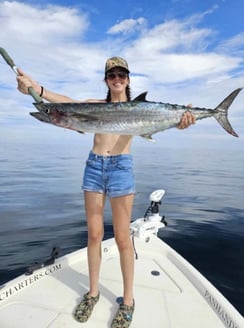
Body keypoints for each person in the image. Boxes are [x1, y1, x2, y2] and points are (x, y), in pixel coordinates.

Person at [16, 57, 195, 327]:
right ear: (106, 80)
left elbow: (168, 117)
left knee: (123, 238)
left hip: (121, 168)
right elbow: (64, 101)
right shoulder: (96, 106)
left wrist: (182, 120)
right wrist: (36, 88)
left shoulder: (139, 107)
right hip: (94, 167)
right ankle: (93, 292)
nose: (117, 79)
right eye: (112, 75)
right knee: (95, 234)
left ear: (128, 79)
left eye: (122, 74)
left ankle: (129, 300)